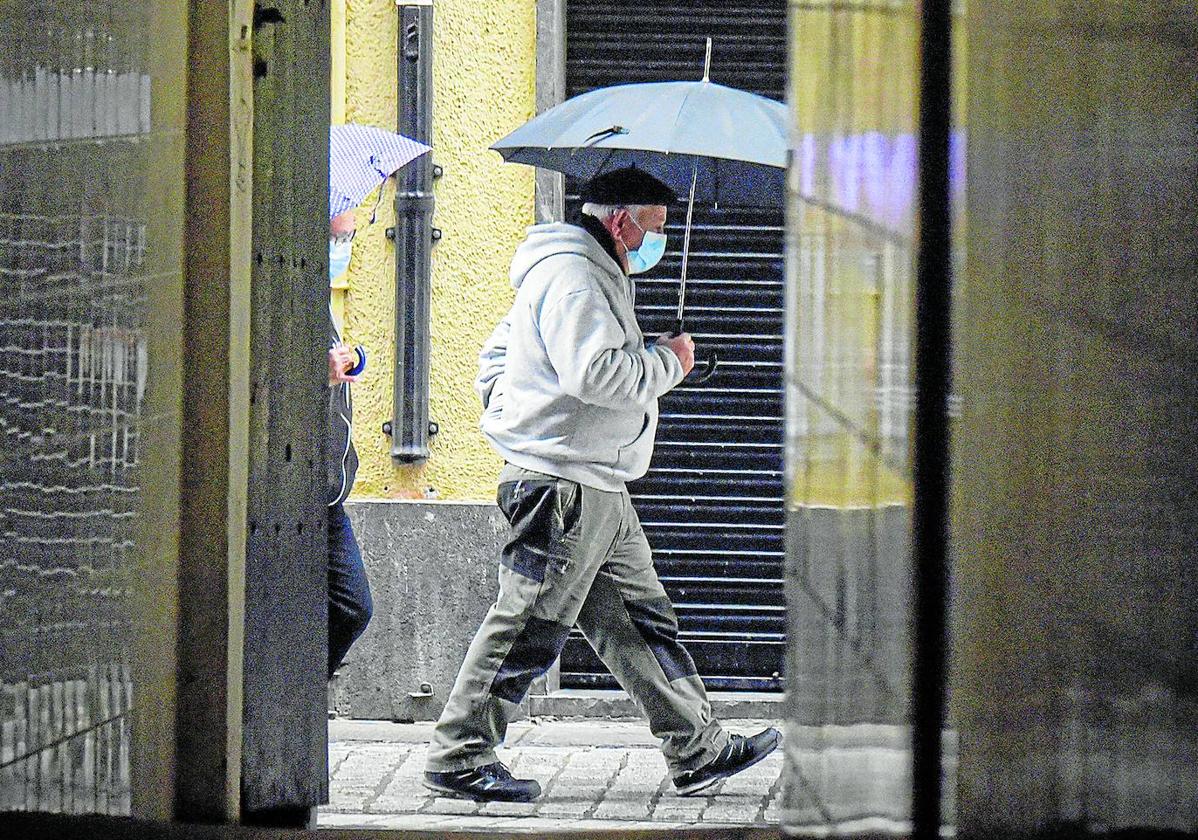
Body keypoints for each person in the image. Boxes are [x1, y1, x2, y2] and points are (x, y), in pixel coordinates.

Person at [423, 168, 780, 803]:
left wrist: (523, 410)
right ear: (621, 221)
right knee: (529, 623)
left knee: (641, 624)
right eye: (654, 228)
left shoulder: (589, 273)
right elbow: (596, 375)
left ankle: (697, 747)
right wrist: (672, 361)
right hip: (565, 488)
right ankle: (460, 755)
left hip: (599, 483)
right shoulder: (575, 278)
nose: (658, 242)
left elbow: (500, 356)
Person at [326, 208, 373, 679]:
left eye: (350, 237)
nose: (345, 247)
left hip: (331, 490)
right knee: (351, 604)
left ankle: (303, 691)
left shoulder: (321, 300)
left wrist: (349, 361)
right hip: (301, 490)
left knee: (354, 607)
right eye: (338, 237)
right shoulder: (289, 291)